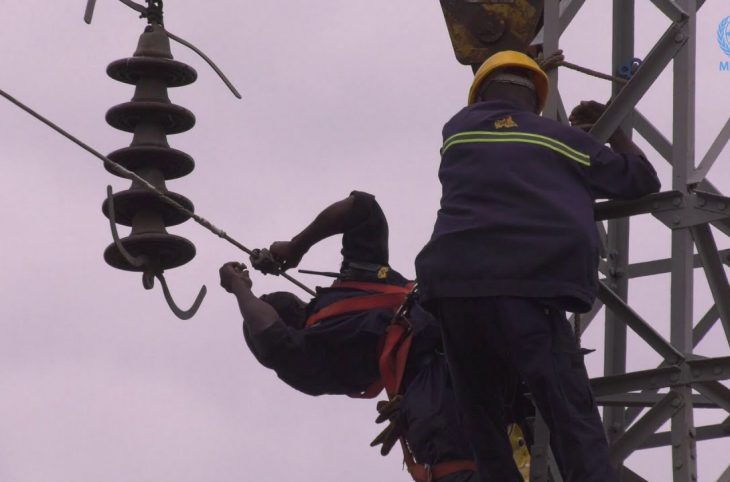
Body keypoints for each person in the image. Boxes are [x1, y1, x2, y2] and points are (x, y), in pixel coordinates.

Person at [415, 50, 661, 482]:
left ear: (479, 99)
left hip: (454, 289)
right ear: (536, 100)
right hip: (525, 288)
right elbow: (639, 180)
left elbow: (515, 154)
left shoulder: (456, 132)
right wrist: (614, 132)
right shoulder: (563, 142)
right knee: (571, 421)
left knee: (483, 426)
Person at [220, 191, 479, 482]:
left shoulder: (321, 348)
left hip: (452, 379)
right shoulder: (329, 328)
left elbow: (363, 208)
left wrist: (254, 280)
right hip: (467, 342)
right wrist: (250, 283)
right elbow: (362, 209)